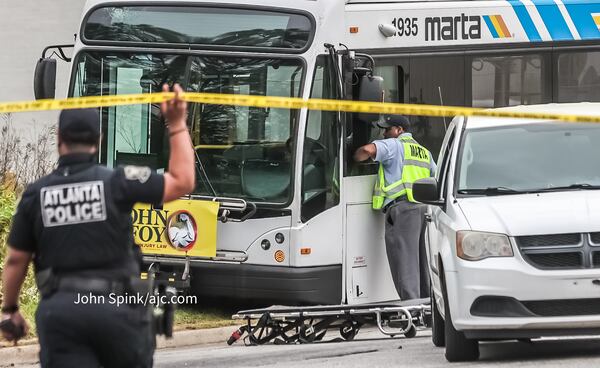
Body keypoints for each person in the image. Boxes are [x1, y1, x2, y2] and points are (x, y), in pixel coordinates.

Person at [0, 83, 195, 367]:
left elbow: (16, 259)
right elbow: (183, 181)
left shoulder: (35, 194)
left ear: (59, 138)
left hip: (62, 314)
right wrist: (176, 124)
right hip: (118, 310)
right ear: (99, 139)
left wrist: (10, 309)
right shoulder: (117, 182)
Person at [353, 114, 436, 301]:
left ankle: (411, 311)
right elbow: (436, 177)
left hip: (403, 209)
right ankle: (426, 308)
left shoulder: (394, 145)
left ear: (399, 130)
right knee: (423, 262)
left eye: (387, 129)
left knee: (405, 263)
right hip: (425, 210)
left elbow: (366, 151)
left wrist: (355, 156)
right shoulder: (424, 152)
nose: (384, 133)